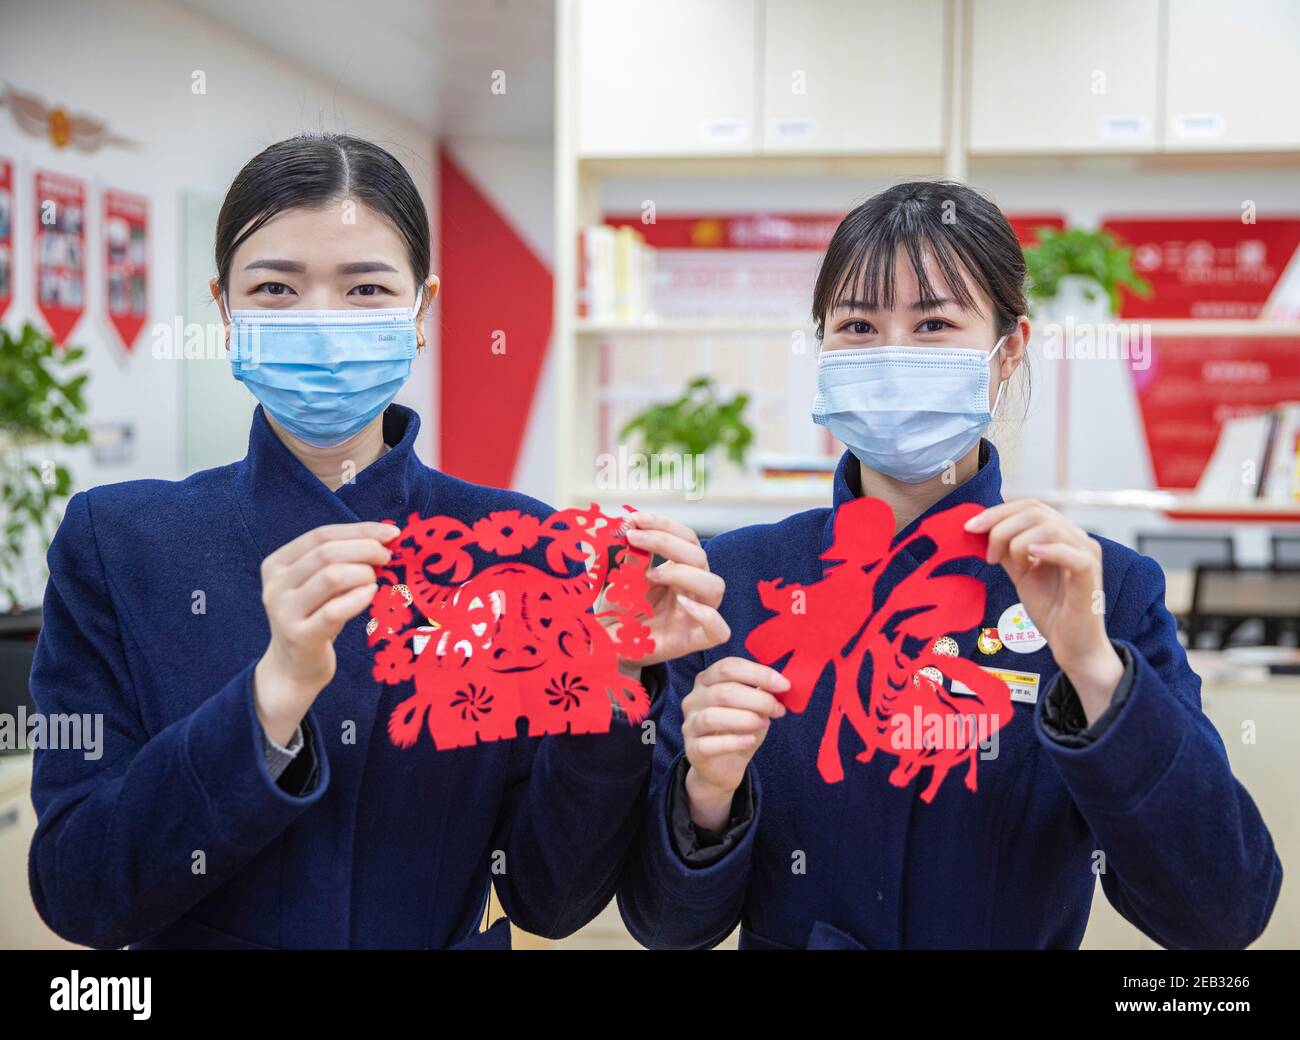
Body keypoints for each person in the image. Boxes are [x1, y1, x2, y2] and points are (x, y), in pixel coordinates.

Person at [27, 133, 729, 949]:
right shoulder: (120, 544)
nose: (322, 322)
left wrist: (613, 678)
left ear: (420, 311)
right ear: (224, 312)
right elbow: (81, 891)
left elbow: (551, 895)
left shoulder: (523, 547)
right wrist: (269, 701)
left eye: (365, 288)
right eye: (276, 289)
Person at [616, 180, 1282, 950]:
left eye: (934, 323)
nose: (894, 356)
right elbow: (666, 926)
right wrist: (707, 793)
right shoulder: (736, 584)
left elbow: (1220, 913)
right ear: (823, 351)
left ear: (1010, 351)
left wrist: (1097, 671)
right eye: (858, 325)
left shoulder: (1102, 591)